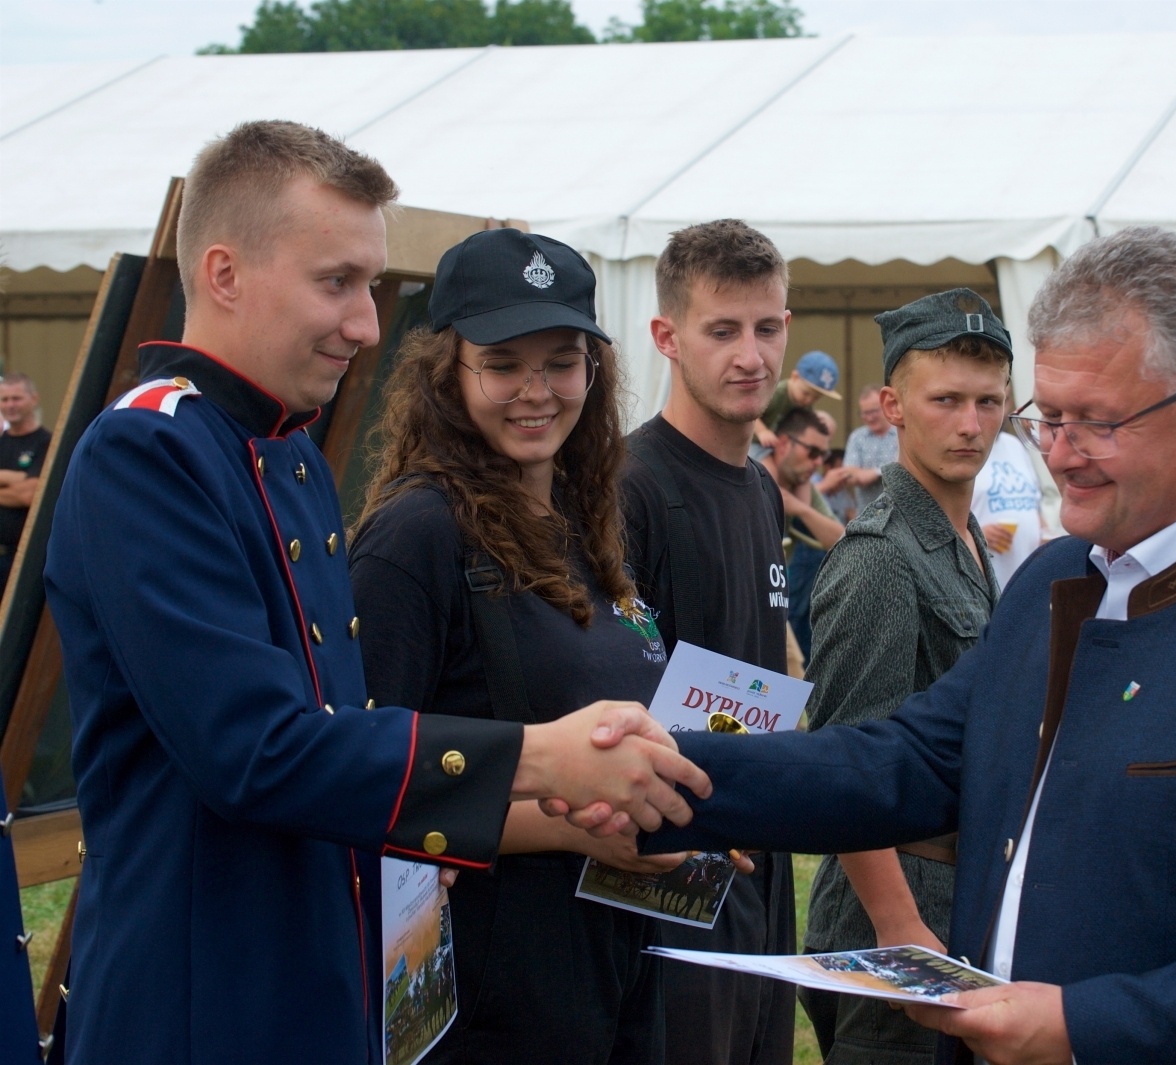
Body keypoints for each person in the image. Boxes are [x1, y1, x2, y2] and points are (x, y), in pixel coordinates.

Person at [622, 227, 1176, 1065]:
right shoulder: (1057, 581)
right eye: (1047, 417)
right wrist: (652, 772)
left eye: (1093, 422)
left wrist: (1083, 1027)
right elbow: (903, 763)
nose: (1056, 452)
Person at [42, 120, 708, 1065]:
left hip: (320, 987)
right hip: (205, 1002)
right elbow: (258, 751)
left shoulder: (291, 456)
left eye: (370, 285)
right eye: (337, 282)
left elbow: (352, 750)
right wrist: (538, 760)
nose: (365, 322)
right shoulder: (149, 451)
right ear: (225, 273)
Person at [349, 229, 691, 1062]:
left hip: (612, 970)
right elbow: (363, 785)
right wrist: (577, 827)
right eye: (503, 363)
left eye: (563, 361)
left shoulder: (584, 521)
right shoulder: (415, 537)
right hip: (490, 1001)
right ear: (447, 373)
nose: (537, 390)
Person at [800, 288, 1009, 1065]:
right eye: (946, 399)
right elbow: (843, 762)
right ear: (892, 406)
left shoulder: (960, 535)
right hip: (894, 913)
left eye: (988, 401)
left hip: (956, 890)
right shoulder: (883, 554)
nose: (970, 423)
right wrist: (900, 929)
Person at [620, 218, 797, 1065]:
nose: (750, 354)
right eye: (722, 331)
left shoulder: (761, 487)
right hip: (668, 871)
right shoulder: (630, 488)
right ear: (667, 337)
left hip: (760, 846)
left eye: (767, 327)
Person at [761, 407, 845, 663]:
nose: (819, 462)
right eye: (813, 452)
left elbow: (841, 541)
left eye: (823, 455)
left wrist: (801, 510)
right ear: (784, 444)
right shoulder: (753, 477)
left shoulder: (799, 484)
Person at [970, 384, 1046, 591]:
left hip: (1028, 581)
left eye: (1005, 401)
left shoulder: (1015, 445)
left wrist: (1045, 535)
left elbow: (1034, 502)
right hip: (986, 586)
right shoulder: (964, 451)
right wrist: (977, 536)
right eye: (987, 401)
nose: (1001, 409)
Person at [0, 373, 50, 587]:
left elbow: (30, 494)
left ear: (34, 399)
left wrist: (23, 484)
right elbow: (25, 487)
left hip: (26, 558)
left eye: (17, 398)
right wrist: (19, 478)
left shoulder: (47, 443)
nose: (10, 405)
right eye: (4, 399)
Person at [751, 348, 841, 451]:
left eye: (816, 398)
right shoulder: (776, 393)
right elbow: (751, 413)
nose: (808, 400)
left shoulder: (805, 403)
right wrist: (762, 432)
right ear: (795, 377)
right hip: (754, 442)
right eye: (805, 393)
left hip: (777, 446)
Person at [840, 382, 900, 515]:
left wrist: (875, 473)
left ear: (886, 407)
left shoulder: (901, 433)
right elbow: (848, 474)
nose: (869, 417)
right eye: (864, 413)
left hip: (900, 513)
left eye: (873, 411)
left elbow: (902, 468)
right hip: (867, 514)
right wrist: (857, 475)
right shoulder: (857, 437)